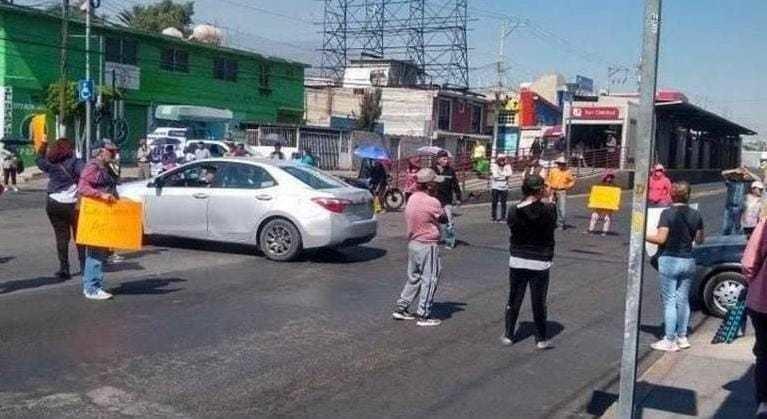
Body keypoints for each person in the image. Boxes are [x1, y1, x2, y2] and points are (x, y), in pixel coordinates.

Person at [646, 182, 704, 352]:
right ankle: (682, 336)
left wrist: (642, 234)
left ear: (672, 195)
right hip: (688, 260)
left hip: (670, 259)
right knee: (683, 299)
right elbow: (700, 239)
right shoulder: (696, 214)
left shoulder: (667, 213)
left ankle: (669, 339)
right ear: (688, 195)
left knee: (669, 300)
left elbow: (661, 238)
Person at [502, 174, 557, 349]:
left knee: (514, 298)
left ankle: (509, 335)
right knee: (539, 300)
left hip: (518, 258)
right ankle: (540, 339)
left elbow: (512, 226)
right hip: (540, 261)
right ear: (540, 190)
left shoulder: (514, 210)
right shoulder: (549, 209)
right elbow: (551, 226)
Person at [392, 168, 447, 327]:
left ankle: (401, 308)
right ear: (429, 185)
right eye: (435, 183)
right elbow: (443, 218)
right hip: (427, 244)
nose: (437, 185)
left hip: (413, 243)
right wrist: (439, 202)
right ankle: (424, 314)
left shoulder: (413, 198)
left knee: (414, 277)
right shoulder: (432, 202)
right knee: (430, 279)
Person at [36, 138, 85, 279]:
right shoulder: (75, 162)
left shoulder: (51, 163)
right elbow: (86, 175)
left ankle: (64, 269)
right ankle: (84, 267)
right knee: (80, 236)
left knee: (61, 237)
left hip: (53, 203)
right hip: (73, 204)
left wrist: (44, 144)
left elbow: (39, 160)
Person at [77, 142, 120, 301]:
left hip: (103, 213)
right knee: (95, 252)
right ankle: (92, 288)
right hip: (95, 214)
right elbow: (82, 187)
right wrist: (100, 195)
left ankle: (93, 285)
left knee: (99, 251)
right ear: (100, 152)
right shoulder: (93, 166)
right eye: (110, 151)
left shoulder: (106, 166)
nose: (113, 153)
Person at [740, 217, 767, 418]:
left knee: (764, 353)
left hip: (763, 301)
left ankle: (764, 402)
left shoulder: (766, 224)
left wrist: (755, 282)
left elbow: (749, 263)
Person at [433, 150, 462, 248]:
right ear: (438, 159)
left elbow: (455, 184)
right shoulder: (432, 170)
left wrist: (458, 197)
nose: (446, 161)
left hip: (447, 200)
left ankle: (450, 241)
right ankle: (434, 240)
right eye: (444, 159)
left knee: (449, 221)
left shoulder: (450, 171)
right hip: (434, 200)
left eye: (447, 159)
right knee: (434, 221)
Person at [721, 167, 755, 235]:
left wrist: (747, 172)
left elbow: (757, 179)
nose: (738, 176)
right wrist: (735, 170)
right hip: (729, 207)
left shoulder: (745, 183)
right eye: (736, 175)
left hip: (739, 208)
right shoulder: (730, 182)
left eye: (740, 175)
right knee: (726, 228)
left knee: (737, 228)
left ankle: (735, 243)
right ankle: (723, 242)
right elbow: (723, 173)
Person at [546, 156, 575, 230]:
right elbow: (548, 180)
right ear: (558, 163)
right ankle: (552, 223)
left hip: (562, 191)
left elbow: (572, 181)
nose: (561, 165)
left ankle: (561, 224)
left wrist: (567, 186)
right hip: (553, 190)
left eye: (563, 164)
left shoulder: (568, 171)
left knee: (562, 209)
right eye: (560, 163)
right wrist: (548, 188)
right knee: (551, 208)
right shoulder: (553, 170)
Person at [587, 171, 617, 236]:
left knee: (607, 217)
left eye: (611, 177)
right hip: (599, 203)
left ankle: (605, 231)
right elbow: (595, 193)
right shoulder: (599, 184)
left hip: (609, 204)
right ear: (605, 177)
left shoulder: (614, 186)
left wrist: (614, 203)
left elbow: (616, 196)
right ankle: (591, 229)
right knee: (594, 216)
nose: (609, 178)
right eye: (608, 176)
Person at [490, 154, 513, 222]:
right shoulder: (494, 166)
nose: (502, 161)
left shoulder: (507, 166)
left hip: (504, 187)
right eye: (500, 159)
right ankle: (494, 217)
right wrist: (504, 176)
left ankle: (503, 217)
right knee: (494, 202)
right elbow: (495, 175)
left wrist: (502, 175)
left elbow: (510, 174)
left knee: (503, 203)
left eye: (503, 159)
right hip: (495, 187)